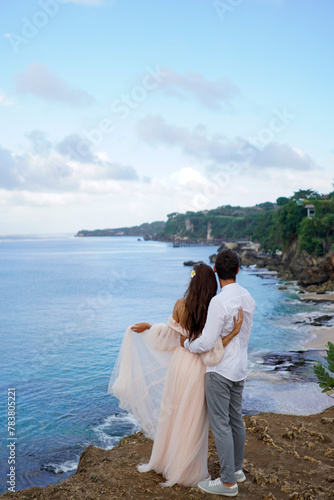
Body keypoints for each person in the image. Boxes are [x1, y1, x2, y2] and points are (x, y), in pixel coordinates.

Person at [108, 262, 244, 487]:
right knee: (193, 420)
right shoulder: (214, 307)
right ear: (211, 283)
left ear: (192, 281)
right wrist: (235, 332)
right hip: (199, 367)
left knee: (174, 416)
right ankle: (187, 470)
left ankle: (166, 463)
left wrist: (150, 328)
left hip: (179, 365)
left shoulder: (180, 305)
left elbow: (170, 337)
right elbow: (213, 346)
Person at [184, 249, 256, 497]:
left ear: (216, 270)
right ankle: (236, 471)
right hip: (240, 368)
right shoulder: (248, 298)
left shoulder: (219, 301)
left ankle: (227, 483)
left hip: (220, 370)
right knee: (236, 420)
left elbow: (205, 342)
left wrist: (187, 345)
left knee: (221, 425)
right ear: (238, 270)